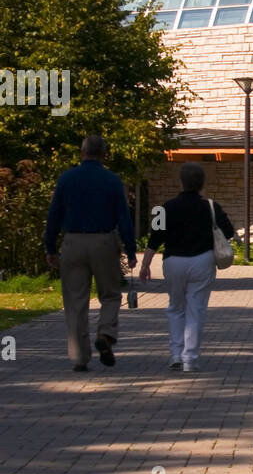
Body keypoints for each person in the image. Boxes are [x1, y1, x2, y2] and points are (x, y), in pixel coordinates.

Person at [44, 134, 137, 371]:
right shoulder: (113, 181)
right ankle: (105, 334)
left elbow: (54, 215)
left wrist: (51, 248)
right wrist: (130, 248)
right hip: (104, 241)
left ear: (81, 152)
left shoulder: (66, 179)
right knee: (110, 295)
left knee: (75, 302)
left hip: (73, 242)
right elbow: (124, 219)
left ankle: (79, 357)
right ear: (104, 154)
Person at [138, 162, 235, 373]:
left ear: (180, 182)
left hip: (173, 262)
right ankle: (190, 358)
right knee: (195, 309)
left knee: (175, 307)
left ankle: (175, 354)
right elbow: (228, 232)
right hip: (202, 261)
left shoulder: (165, 207)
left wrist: (145, 265)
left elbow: (154, 239)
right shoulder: (211, 206)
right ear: (202, 183)